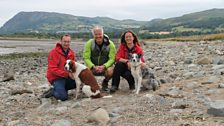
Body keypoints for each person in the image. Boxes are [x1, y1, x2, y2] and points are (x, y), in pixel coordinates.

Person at [42, 34, 76, 101]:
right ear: (61, 41)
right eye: (65, 41)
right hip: (56, 78)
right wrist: (67, 74)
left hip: (66, 77)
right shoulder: (53, 52)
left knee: (81, 81)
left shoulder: (71, 53)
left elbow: (73, 67)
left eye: (68, 42)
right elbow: (52, 69)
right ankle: (53, 91)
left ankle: (61, 89)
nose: (66, 43)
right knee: (63, 97)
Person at [83, 26, 116, 91]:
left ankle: (105, 82)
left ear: (103, 34)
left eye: (99, 34)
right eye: (96, 34)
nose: (98, 36)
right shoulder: (89, 43)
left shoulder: (110, 44)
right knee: (85, 71)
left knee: (111, 71)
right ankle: (90, 85)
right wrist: (93, 66)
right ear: (93, 35)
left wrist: (104, 66)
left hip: (105, 67)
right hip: (93, 66)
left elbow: (112, 58)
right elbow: (86, 58)